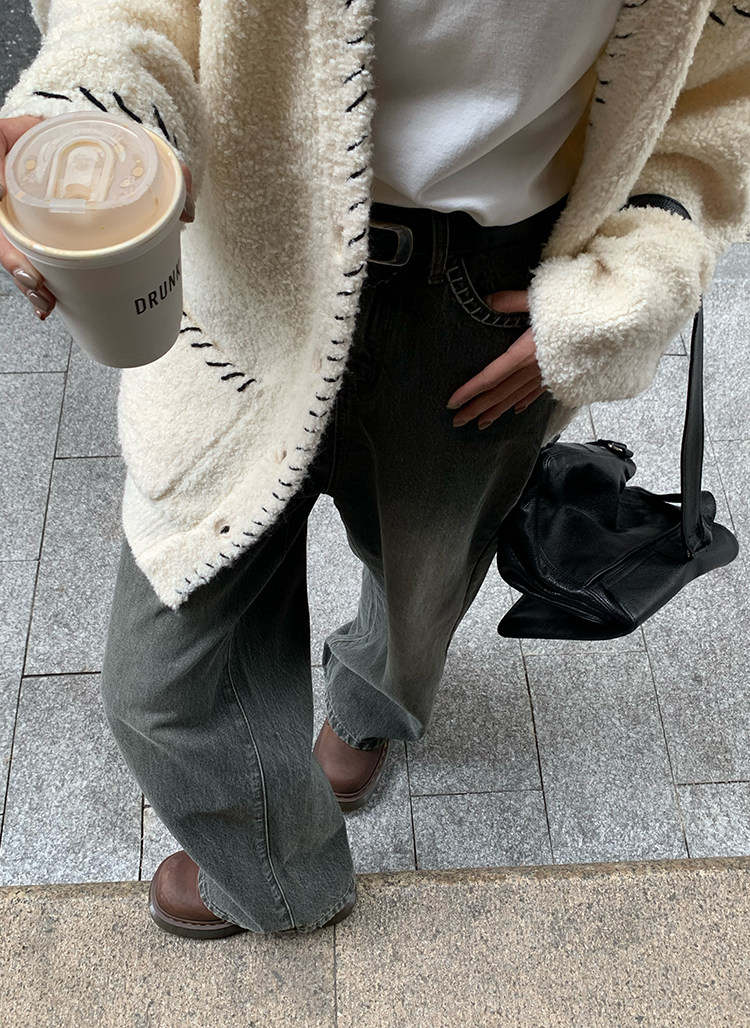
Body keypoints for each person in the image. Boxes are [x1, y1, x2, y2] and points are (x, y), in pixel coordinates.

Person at [0, 0, 748, 938]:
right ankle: (284, 878)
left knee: (422, 574)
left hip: (490, 293)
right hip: (250, 252)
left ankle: (369, 707)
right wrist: (95, 111)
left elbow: (720, 82)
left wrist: (633, 283)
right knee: (162, 683)